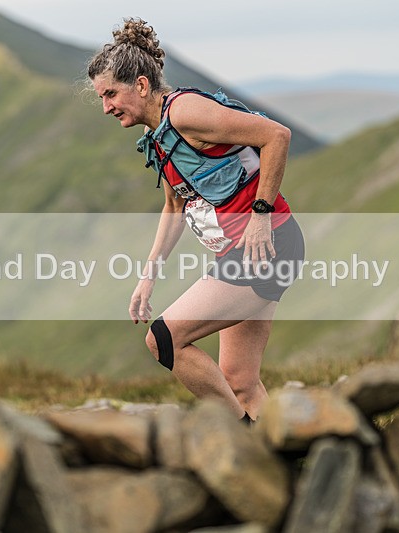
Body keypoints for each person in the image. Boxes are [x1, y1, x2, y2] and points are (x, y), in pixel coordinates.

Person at [87, 18, 304, 423]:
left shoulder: (186, 112)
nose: (106, 107)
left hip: (266, 244)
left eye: (111, 94)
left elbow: (277, 136)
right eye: (101, 97)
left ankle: (239, 436)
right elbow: (174, 208)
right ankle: (291, 454)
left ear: (141, 85)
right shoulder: (160, 137)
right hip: (249, 250)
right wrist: (148, 275)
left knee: (165, 340)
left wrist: (260, 215)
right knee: (240, 381)